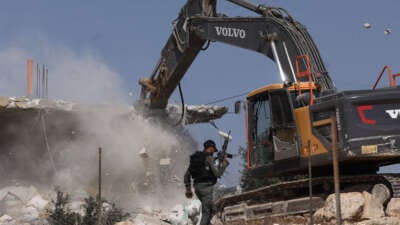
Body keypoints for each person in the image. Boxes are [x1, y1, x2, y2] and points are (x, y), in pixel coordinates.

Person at [184, 139, 229, 225]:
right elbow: (217, 174)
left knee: (213, 209)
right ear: (211, 148)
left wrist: (188, 189)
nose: (213, 152)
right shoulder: (209, 158)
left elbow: (186, 176)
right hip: (206, 189)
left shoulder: (196, 159)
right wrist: (224, 164)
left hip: (197, 188)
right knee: (206, 213)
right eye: (213, 150)